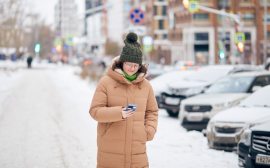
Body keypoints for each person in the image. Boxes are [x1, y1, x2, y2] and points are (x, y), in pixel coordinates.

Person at [89, 32, 159, 168]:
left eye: (136, 65)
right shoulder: (106, 82)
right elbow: (95, 111)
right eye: (129, 64)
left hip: (137, 147)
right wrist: (119, 113)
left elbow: (152, 111)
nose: (133, 69)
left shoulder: (145, 85)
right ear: (122, 62)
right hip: (110, 145)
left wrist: (148, 131)